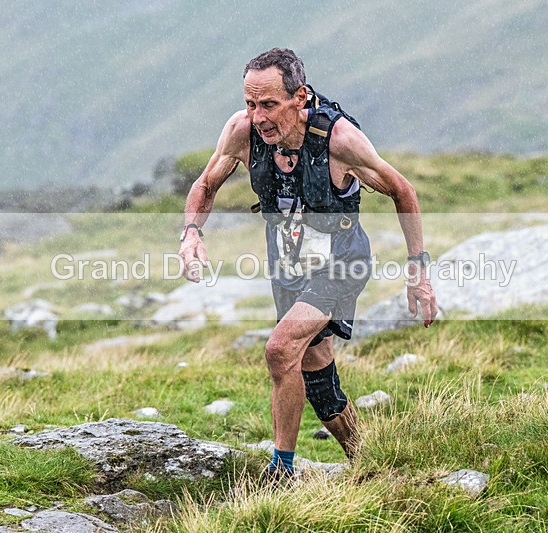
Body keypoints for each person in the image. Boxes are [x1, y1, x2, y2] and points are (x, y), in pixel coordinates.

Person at [177, 48, 437, 478]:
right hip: (288, 264)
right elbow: (205, 184)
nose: (258, 117)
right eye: (250, 103)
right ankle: (369, 462)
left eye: (269, 104)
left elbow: (402, 190)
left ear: (299, 97)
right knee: (317, 378)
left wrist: (418, 270)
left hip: (342, 262)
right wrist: (191, 233)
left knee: (280, 349)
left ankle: (281, 471)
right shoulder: (242, 131)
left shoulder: (339, 140)